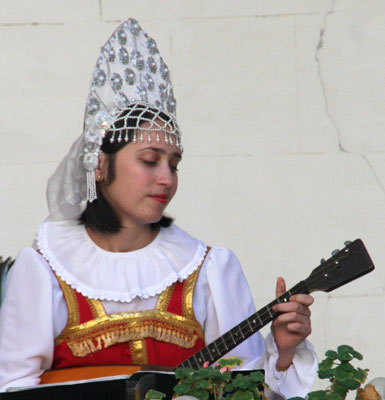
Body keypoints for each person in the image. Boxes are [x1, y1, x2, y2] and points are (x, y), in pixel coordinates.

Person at [0, 18, 317, 398]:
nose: (167, 178)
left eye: (174, 164)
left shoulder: (210, 269)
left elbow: (244, 389)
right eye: (150, 160)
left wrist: (282, 354)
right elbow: (15, 388)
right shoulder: (44, 270)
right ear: (99, 166)